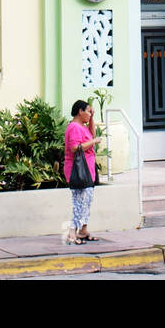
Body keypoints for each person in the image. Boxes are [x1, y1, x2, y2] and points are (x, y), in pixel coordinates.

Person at [64, 100, 102, 245]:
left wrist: (92, 117)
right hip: (78, 169)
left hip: (87, 169)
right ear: (80, 111)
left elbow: (92, 134)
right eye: (87, 111)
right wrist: (93, 142)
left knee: (87, 200)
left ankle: (83, 229)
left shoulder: (82, 127)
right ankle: (72, 232)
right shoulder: (74, 127)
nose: (88, 114)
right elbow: (75, 148)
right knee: (79, 201)